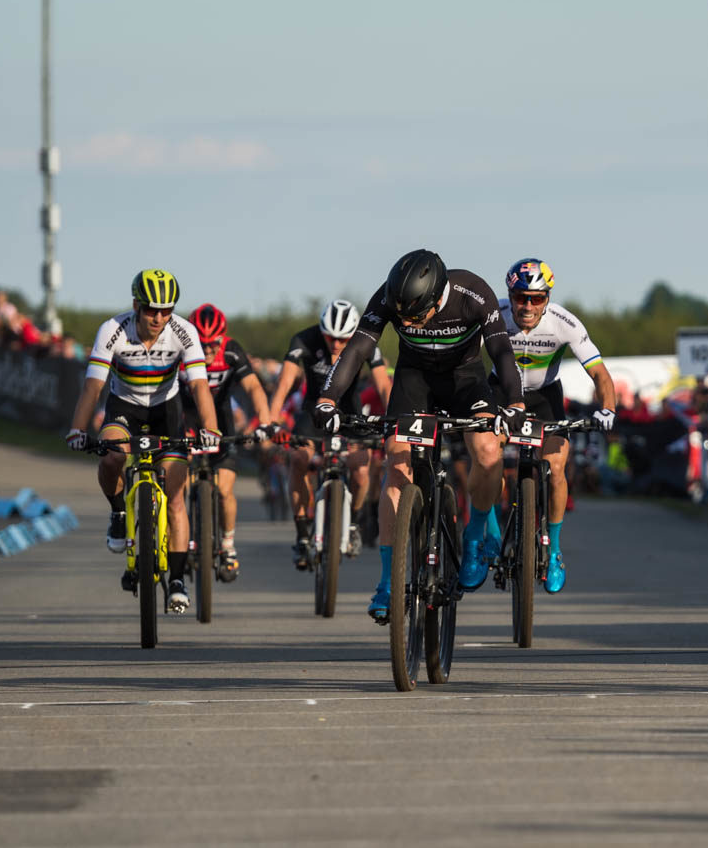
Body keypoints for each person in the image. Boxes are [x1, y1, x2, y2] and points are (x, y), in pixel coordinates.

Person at [309, 249, 524, 622]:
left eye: (415, 316)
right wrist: (328, 399)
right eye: (403, 318)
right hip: (415, 381)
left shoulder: (473, 294)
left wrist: (516, 403)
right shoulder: (389, 296)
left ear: (437, 297)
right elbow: (357, 349)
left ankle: (475, 533)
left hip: (464, 380)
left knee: (488, 452)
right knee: (396, 464)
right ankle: (387, 582)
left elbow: (502, 352)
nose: (409, 323)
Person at [63, 269, 220, 613]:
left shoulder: (183, 331)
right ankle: (119, 511)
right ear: (136, 305)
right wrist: (77, 429)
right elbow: (93, 386)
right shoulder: (113, 330)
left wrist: (211, 428)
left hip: (167, 410)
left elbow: (198, 385)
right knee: (111, 456)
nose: (159, 318)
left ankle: (177, 581)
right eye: (151, 310)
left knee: (176, 497)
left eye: (166, 310)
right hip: (124, 408)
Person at [494, 258, 618, 594]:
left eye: (537, 298)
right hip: (501, 392)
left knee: (556, 467)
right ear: (510, 295)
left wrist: (607, 408)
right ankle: (486, 533)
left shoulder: (564, 323)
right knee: (486, 458)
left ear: (547, 298)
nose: (528, 306)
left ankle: (554, 549)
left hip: (545, 397)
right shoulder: (495, 315)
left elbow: (600, 374)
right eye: (521, 297)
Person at [269, 300, 392, 568]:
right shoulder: (304, 339)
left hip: (350, 413)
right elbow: (285, 382)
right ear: (321, 330)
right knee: (299, 459)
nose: (336, 344)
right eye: (330, 337)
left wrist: (394, 419)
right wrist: (272, 421)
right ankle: (303, 533)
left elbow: (383, 385)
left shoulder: (366, 341)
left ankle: (354, 523)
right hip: (314, 412)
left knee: (361, 469)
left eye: (343, 339)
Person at [187, 303, 277, 577]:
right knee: (177, 485)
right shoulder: (181, 348)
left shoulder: (231, 351)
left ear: (222, 339)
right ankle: (181, 540)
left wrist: (265, 423)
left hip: (221, 419)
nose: (207, 350)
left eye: (212, 344)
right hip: (186, 418)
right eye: (201, 344)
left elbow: (253, 387)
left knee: (225, 490)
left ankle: (227, 545)